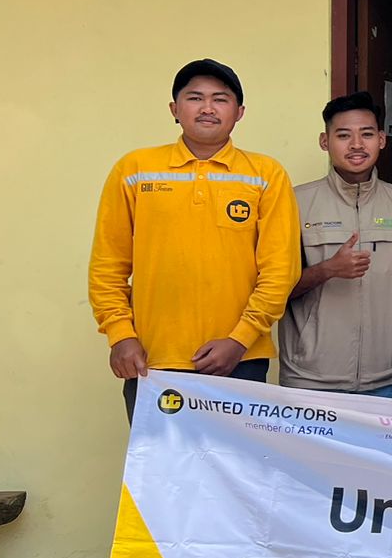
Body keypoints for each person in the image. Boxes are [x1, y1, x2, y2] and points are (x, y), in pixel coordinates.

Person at [89, 59, 301, 423]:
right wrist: (120, 335)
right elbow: (108, 264)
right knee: (159, 477)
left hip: (240, 360)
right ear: (175, 109)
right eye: (194, 98)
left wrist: (240, 338)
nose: (207, 108)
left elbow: (281, 268)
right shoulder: (135, 170)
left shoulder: (266, 175)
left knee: (236, 474)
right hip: (152, 361)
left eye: (220, 99)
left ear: (239, 112)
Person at [280, 92, 392, 397]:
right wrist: (328, 269)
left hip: (384, 376)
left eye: (366, 134)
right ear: (325, 141)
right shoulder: (293, 203)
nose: (356, 145)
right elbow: (273, 290)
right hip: (310, 378)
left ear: (381, 139)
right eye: (343, 135)